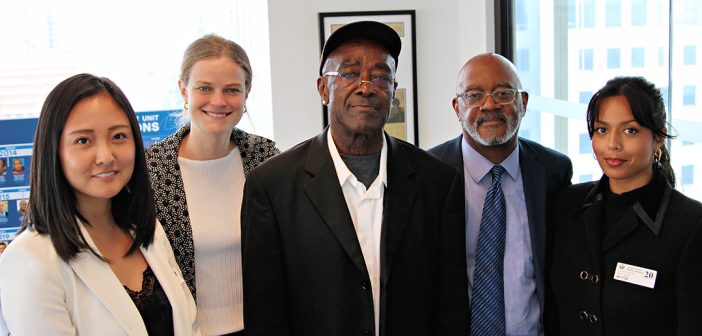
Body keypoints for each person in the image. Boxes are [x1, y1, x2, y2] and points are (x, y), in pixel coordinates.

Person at [241, 21, 469, 336]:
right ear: (323, 88)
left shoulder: (437, 182)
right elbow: (266, 316)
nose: (366, 86)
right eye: (349, 73)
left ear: (393, 90)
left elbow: (451, 306)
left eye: (380, 76)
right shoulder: (272, 186)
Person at [0, 74, 199, 335]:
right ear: (54, 151)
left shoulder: (147, 230)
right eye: (84, 140)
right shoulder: (29, 260)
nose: (106, 156)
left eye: (118, 136)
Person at [428, 53, 573, 335]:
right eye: (474, 95)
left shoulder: (553, 171)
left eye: (503, 93)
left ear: (524, 102)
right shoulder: (428, 173)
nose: (490, 105)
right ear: (457, 108)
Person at [146, 34, 279, 336]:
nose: (218, 101)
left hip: (262, 326)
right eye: (205, 88)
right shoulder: (150, 170)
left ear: (247, 92)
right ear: (184, 89)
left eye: (231, 90)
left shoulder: (267, 159)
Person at [548, 76, 702, 335]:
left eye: (630, 130)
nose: (613, 144)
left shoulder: (691, 224)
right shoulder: (566, 205)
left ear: (658, 137)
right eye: (602, 130)